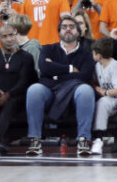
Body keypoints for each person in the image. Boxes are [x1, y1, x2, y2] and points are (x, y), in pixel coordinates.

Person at [26, 15, 96, 157]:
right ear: (59, 32)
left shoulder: (86, 53)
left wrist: (56, 72)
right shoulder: (48, 49)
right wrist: (70, 69)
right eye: (64, 27)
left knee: (86, 90)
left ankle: (83, 139)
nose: (68, 30)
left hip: (75, 90)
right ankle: (35, 140)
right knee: (34, 89)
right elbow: (44, 69)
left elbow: (85, 76)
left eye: (71, 27)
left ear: (78, 32)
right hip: (49, 89)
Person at [0, 22, 36, 155]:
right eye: (5, 36)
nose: (9, 39)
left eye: (11, 35)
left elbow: (24, 82)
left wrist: (8, 95)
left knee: (11, 103)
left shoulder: (26, 57)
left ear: (15, 36)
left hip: (16, 96)